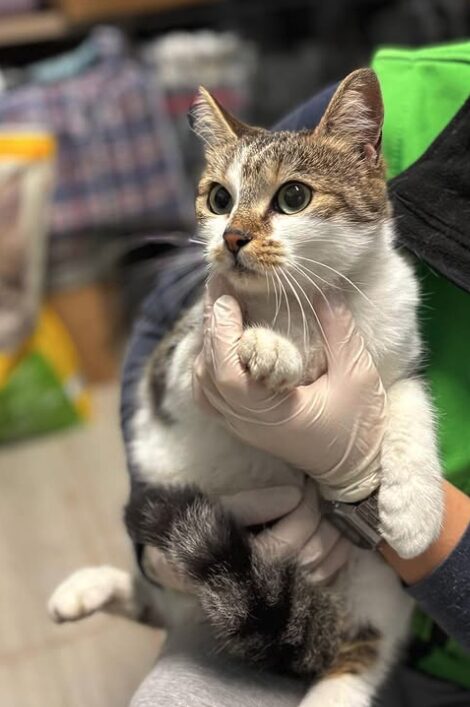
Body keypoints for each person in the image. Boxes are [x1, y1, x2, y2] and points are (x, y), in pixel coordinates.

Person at [121, 44, 470, 706]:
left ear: (367, 164)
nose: (239, 232)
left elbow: (399, 384)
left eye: (293, 197)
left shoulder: (385, 296)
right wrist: (155, 553)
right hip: (253, 555)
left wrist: (367, 468)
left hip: (396, 606)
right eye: (221, 200)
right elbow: (150, 333)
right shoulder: (422, 88)